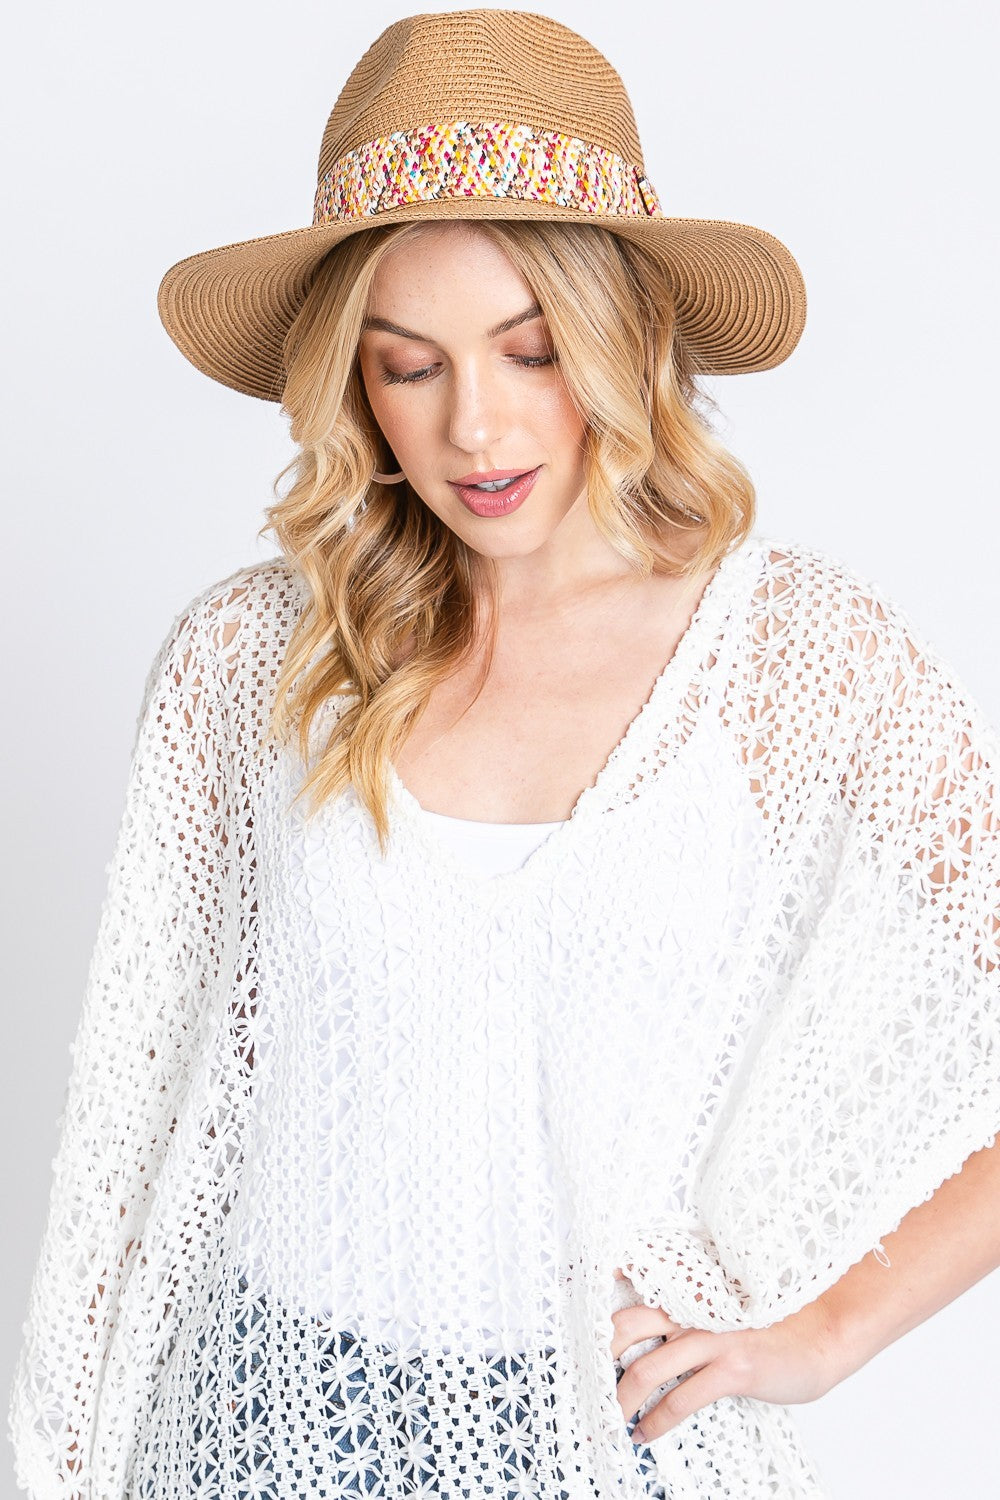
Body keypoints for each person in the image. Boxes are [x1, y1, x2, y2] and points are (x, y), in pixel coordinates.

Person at [8, 10, 1000, 1500]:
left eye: (531, 349)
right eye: (409, 368)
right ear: (355, 385)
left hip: (617, 1434)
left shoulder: (797, 663)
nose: (476, 425)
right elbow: (139, 1126)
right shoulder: (252, 661)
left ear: (627, 337)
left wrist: (824, 1333)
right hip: (255, 1422)